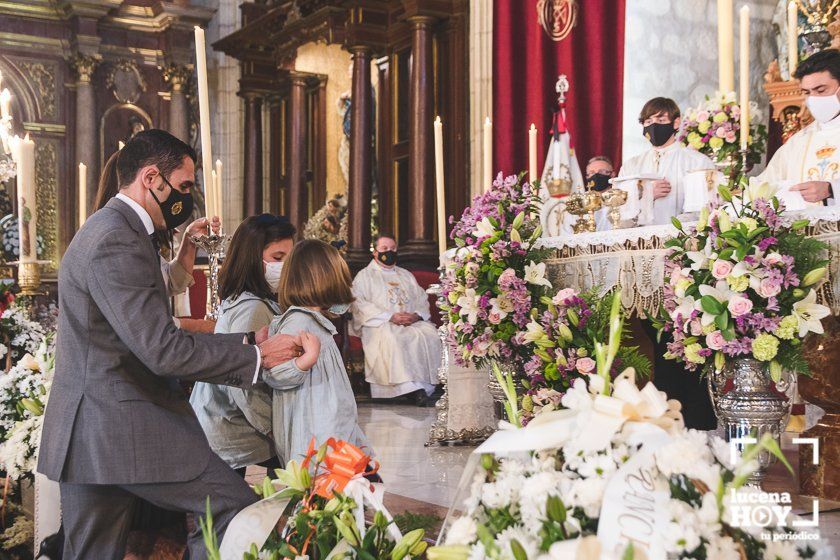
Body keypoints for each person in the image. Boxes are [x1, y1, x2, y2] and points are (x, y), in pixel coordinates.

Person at [37, 129, 302, 559]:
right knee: (229, 505)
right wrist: (256, 355)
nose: (185, 201)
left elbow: (140, 332)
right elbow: (162, 348)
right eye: (182, 187)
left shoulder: (109, 230)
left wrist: (247, 338)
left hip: (96, 432)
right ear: (151, 179)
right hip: (122, 428)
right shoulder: (116, 238)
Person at [191, 214, 296, 476]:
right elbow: (243, 383)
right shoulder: (253, 309)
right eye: (277, 258)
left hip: (224, 421)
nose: (285, 267)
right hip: (230, 424)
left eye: (289, 259)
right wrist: (275, 431)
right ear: (252, 258)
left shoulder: (250, 299)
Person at [263, 239, 372, 464]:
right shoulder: (298, 322)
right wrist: (306, 360)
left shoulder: (316, 321)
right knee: (323, 489)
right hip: (313, 436)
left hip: (332, 426)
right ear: (325, 280)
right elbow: (274, 373)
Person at [96, 150, 213, 332]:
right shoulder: (117, 238)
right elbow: (140, 324)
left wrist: (189, 241)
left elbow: (166, 281)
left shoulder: (139, 231)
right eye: (182, 187)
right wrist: (198, 326)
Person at [350, 235, 441, 406]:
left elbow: (421, 299)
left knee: (431, 334)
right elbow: (359, 304)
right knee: (394, 338)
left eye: (392, 249)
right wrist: (390, 316)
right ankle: (409, 389)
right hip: (380, 323)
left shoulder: (406, 275)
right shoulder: (364, 276)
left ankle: (428, 386)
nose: (389, 252)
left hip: (411, 322)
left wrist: (415, 315)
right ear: (375, 252)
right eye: (384, 249)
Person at [757, 49, 840, 206]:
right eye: (807, 92)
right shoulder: (798, 142)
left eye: (821, 90)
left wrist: (832, 190)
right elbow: (764, 185)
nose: (813, 99)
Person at [617, 97, 715, 225]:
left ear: (675, 123)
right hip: (638, 241)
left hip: (681, 240)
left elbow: (707, 209)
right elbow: (616, 214)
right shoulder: (631, 166)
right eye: (648, 121)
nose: (653, 125)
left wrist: (672, 230)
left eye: (661, 120)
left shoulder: (698, 162)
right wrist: (646, 195)